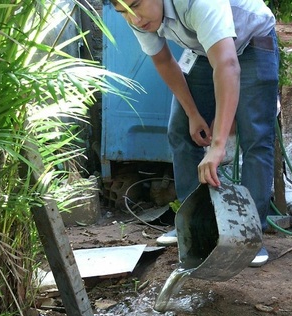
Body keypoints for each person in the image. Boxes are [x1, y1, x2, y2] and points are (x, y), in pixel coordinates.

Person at [109, 0, 279, 267]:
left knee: (255, 137)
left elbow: (227, 65)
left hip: (252, 41)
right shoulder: (138, 16)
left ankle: (248, 237)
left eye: (136, 5)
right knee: (179, 131)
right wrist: (192, 114)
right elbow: (164, 60)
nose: (135, 19)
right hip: (201, 48)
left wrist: (218, 145)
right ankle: (192, 226)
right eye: (123, 13)